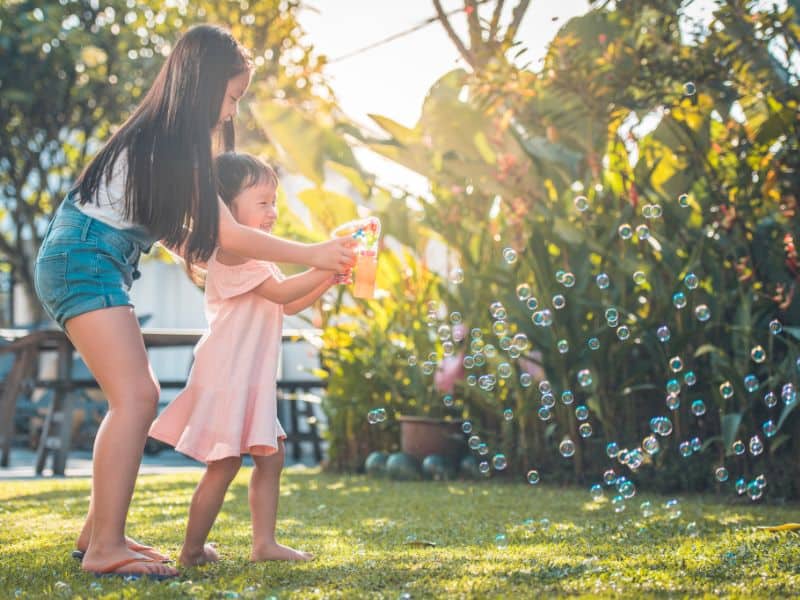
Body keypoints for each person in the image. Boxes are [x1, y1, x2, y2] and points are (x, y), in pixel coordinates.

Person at [33, 25, 355, 579]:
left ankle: (97, 536)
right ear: (205, 86)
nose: (232, 113)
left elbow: (172, 232)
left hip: (88, 256)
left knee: (136, 394)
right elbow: (227, 236)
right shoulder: (174, 142)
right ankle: (106, 548)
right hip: (84, 258)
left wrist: (231, 266)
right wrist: (316, 253)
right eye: (232, 97)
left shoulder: (158, 139)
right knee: (135, 396)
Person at [150, 152, 336, 565]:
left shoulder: (257, 256)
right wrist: (325, 262)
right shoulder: (232, 253)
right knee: (225, 462)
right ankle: (193, 550)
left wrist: (329, 276)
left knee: (271, 457)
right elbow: (284, 294)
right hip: (228, 374)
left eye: (275, 202)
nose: (273, 211)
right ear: (227, 207)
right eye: (263, 202)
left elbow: (287, 305)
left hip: (247, 377)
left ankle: (264, 544)